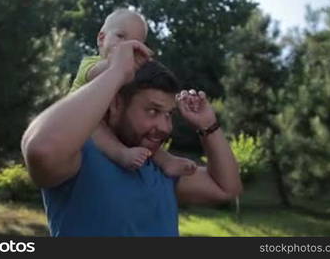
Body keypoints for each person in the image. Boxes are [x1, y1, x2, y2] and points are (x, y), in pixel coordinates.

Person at [21, 40, 243, 236]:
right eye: (152, 111)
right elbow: (42, 149)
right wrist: (117, 72)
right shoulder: (79, 153)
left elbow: (226, 188)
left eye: (169, 114)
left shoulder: (160, 165)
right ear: (116, 104)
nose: (165, 127)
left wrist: (207, 125)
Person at [70, 8, 196, 176]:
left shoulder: (128, 72)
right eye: (121, 37)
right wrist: (121, 64)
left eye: (136, 44)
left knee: (140, 132)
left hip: (111, 122)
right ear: (102, 39)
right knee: (98, 128)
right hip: (80, 120)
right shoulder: (92, 64)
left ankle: (166, 161)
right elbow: (102, 72)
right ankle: (121, 154)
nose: (127, 47)